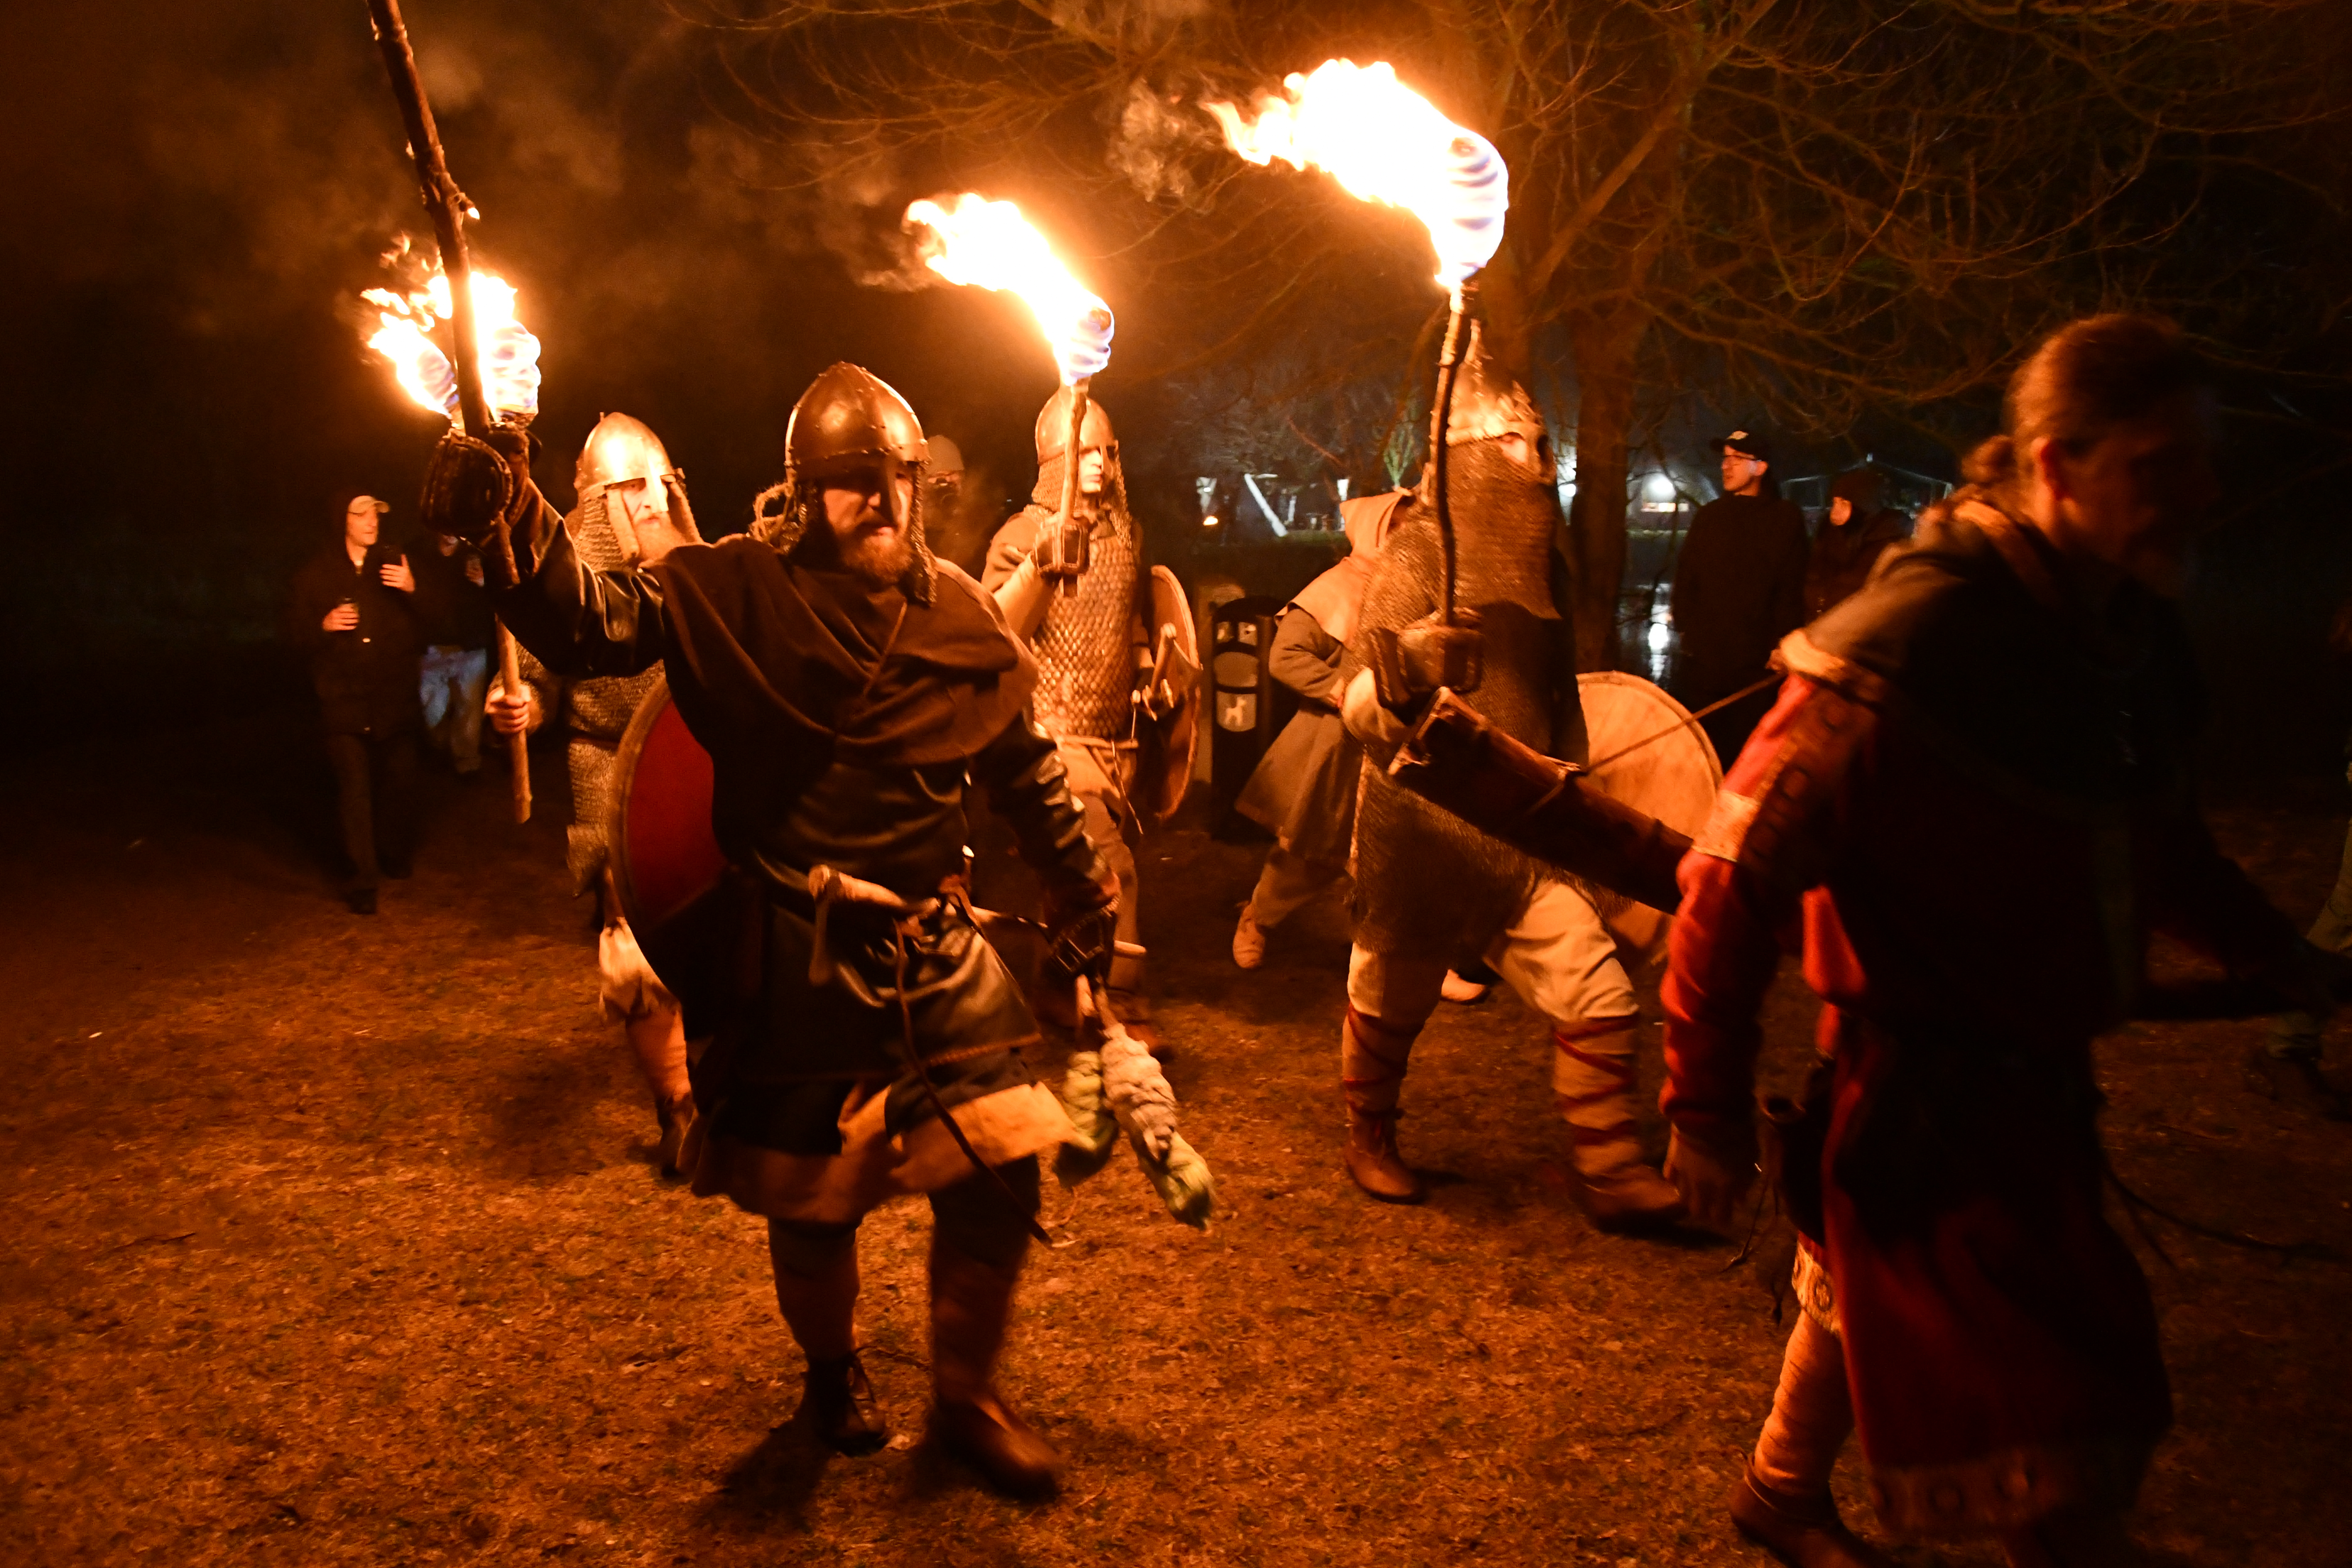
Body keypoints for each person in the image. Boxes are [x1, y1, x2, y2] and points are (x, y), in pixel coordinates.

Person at [1659, 316, 2331, 1568]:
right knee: (2056, 1425)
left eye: (2200, 459)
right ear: (2056, 465)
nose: (2201, 491)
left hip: (2032, 1093)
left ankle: (1775, 1491)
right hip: (1921, 1111)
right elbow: (1727, 876)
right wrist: (1697, 1107)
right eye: (2158, 463)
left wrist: (2278, 955)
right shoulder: (1903, 646)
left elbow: (2156, 839)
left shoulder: (2114, 636)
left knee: (1851, 1296)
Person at [428, 363, 1114, 1500]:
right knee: (813, 1206)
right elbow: (594, 623)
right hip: (797, 962)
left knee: (1002, 1176)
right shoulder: (730, 593)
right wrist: (511, 523)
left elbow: (1026, 768)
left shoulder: (960, 616)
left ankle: (968, 1399)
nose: (884, 509)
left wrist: (1082, 896)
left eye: (898, 484)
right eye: (854, 488)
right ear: (805, 494)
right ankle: (833, 1373)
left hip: (939, 957)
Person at [1331, 325, 1685, 1230]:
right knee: (1388, 1002)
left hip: (1518, 831)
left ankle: (1609, 1168)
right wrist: (1410, 662)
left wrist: (1573, 791)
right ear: (1469, 459)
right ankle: (1369, 1134)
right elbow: (1356, 704)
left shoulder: (1543, 573)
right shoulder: (1417, 556)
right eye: (1515, 443)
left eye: (1541, 443)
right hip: (1420, 831)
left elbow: (1560, 705)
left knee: (1599, 990)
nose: (1537, 459)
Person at [487, 413, 704, 1175]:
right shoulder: (561, 565)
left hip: (695, 756)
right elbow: (537, 678)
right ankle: (678, 1107)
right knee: (635, 947)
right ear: (597, 499)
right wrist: (521, 705)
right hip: (610, 768)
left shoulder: (691, 553)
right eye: (631, 486)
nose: (651, 498)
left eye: (662, 481)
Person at [982, 389, 1159, 1034]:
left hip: (1117, 739)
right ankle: (1129, 1008)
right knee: (1116, 872)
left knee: (1073, 883)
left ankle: (1058, 994)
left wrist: (1147, 670)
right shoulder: (1021, 536)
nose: (1100, 464)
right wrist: (1040, 566)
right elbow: (993, 631)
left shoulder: (1124, 534)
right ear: (1054, 457)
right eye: (1085, 451)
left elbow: (1130, 620)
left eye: (1108, 452)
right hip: (1050, 736)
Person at [1230, 490, 1403, 967]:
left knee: (1400, 857)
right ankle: (1257, 918)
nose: (1410, 538)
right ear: (1375, 532)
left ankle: (1412, 961)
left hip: (1396, 748)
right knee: (1307, 855)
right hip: (1337, 747)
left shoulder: (1411, 588)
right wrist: (1340, 691)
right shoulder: (1334, 589)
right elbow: (1285, 656)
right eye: (1399, 528)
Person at [286, 493, 422, 914]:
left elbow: (437, 622)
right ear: (340, 519)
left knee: (399, 783)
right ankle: (363, 881)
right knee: (355, 792)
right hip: (343, 702)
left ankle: (394, 854)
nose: (371, 521)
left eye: (376, 513)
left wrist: (414, 590)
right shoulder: (316, 576)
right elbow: (291, 636)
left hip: (392, 702)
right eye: (360, 513)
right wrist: (322, 625)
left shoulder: (394, 565)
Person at [1671, 428, 1810, 761]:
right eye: (1725, 458)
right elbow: (1687, 576)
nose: (1726, 466)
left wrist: (1783, 643)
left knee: (1744, 755)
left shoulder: (1784, 519)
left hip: (1754, 666)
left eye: (1737, 459)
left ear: (1760, 468)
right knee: (1699, 754)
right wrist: (1685, 626)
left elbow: (1792, 586)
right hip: (1705, 665)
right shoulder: (1710, 517)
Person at [415, 531, 493, 776]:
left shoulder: (479, 553)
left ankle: (467, 764)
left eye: (456, 528)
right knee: (430, 711)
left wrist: (485, 581)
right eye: (445, 528)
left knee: (469, 712)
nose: (451, 534)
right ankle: (434, 754)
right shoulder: (419, 553)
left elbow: (504, 591)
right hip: (433, 647)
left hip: (470, 646)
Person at [1802, 467, 1908, 620]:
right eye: (1834, 503)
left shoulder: (1885, 539)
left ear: (1864, 506)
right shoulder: (1829, 533)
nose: (1835, 511)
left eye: (1844, 504)